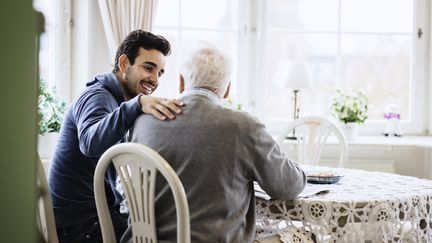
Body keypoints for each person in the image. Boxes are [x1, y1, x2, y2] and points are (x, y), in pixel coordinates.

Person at [123, 46, 306, 242]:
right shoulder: (243, 126)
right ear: (227, 89)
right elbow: (288, 187)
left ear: (181, 82)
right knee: (304, 236)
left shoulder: (141, 122)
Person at [48, 30, 184, 243]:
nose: (154, 79)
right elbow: (90, 143)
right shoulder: (97, 96)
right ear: (123, 63)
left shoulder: (114, 99)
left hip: (86, 217)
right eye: (148, 68)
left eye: (160, 73)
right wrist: (136, 104)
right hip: (79, 224)